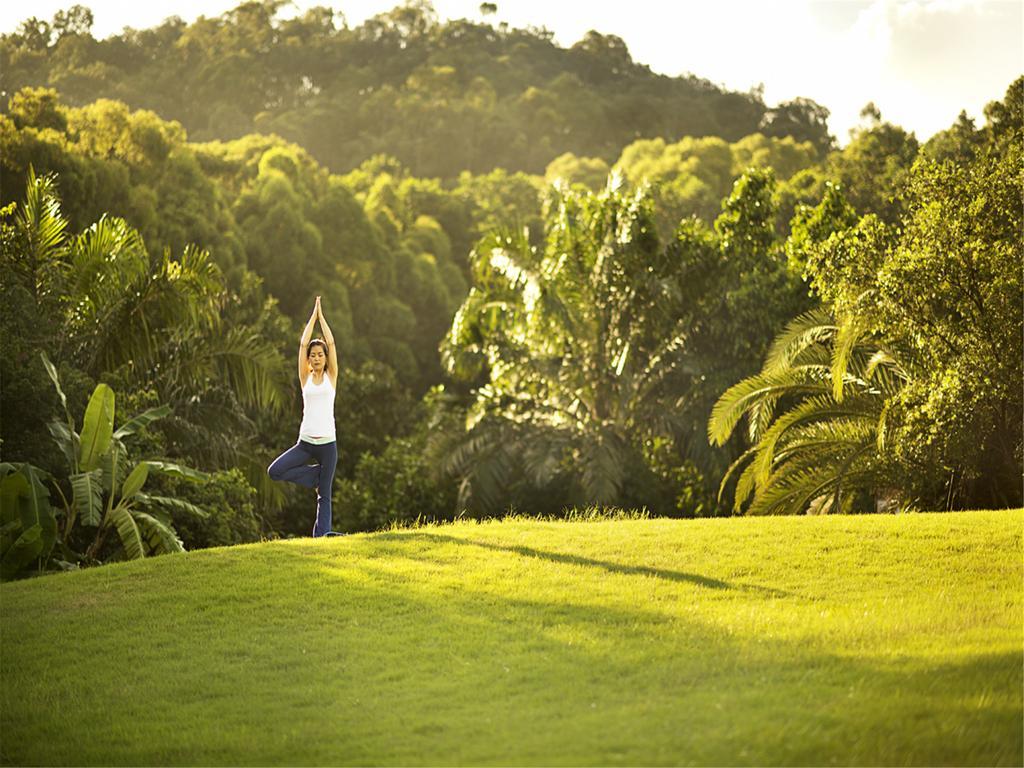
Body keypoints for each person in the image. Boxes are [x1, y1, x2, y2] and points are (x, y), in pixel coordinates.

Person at [267, 296, 341, 537]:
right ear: (309, 360)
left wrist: (322, 318)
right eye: (313, 355)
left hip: (327, 445)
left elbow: (331, 341)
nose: (316, 357)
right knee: (275, 471)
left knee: (325, 496)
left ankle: (323, 535)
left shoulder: (331, 378)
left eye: (320, 354)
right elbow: (302, 344)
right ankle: (315, 477)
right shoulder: (305, 378)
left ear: (325, 357)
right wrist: (312, 317)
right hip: (306, 444)